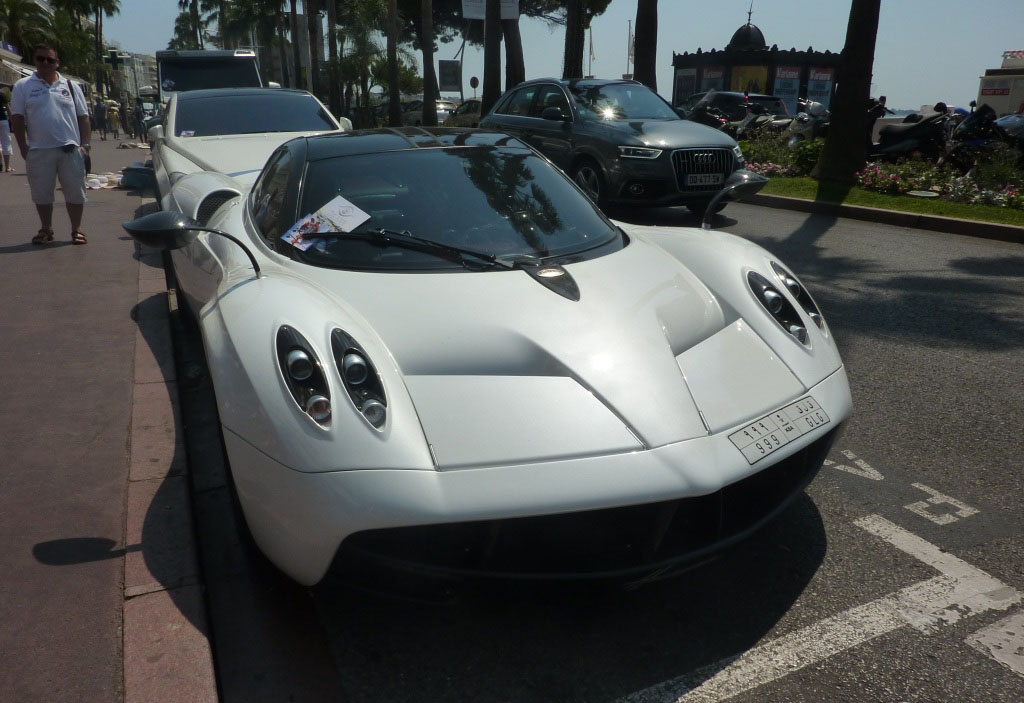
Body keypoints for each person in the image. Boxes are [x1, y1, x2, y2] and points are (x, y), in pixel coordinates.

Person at [10, 43, 91, 245]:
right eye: (40, 59)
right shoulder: (23, 86)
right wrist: (23, 147)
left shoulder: (71, 86)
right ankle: (46, 228)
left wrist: (86, 146)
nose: (45, 63)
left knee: (75, 191)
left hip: (70, 149)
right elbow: (18, 118)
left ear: (57, 63)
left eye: (50, 60)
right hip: (38, 150)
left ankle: (76, 229)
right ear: (34, 60)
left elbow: (83, 117)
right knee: (41, 193)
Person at [0, 90, 13, 172]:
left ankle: (0, 162)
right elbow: (7, 107)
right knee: (6, 142)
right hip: (3, 120)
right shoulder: (1, 94)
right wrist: (12, 117)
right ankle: (7, 167)